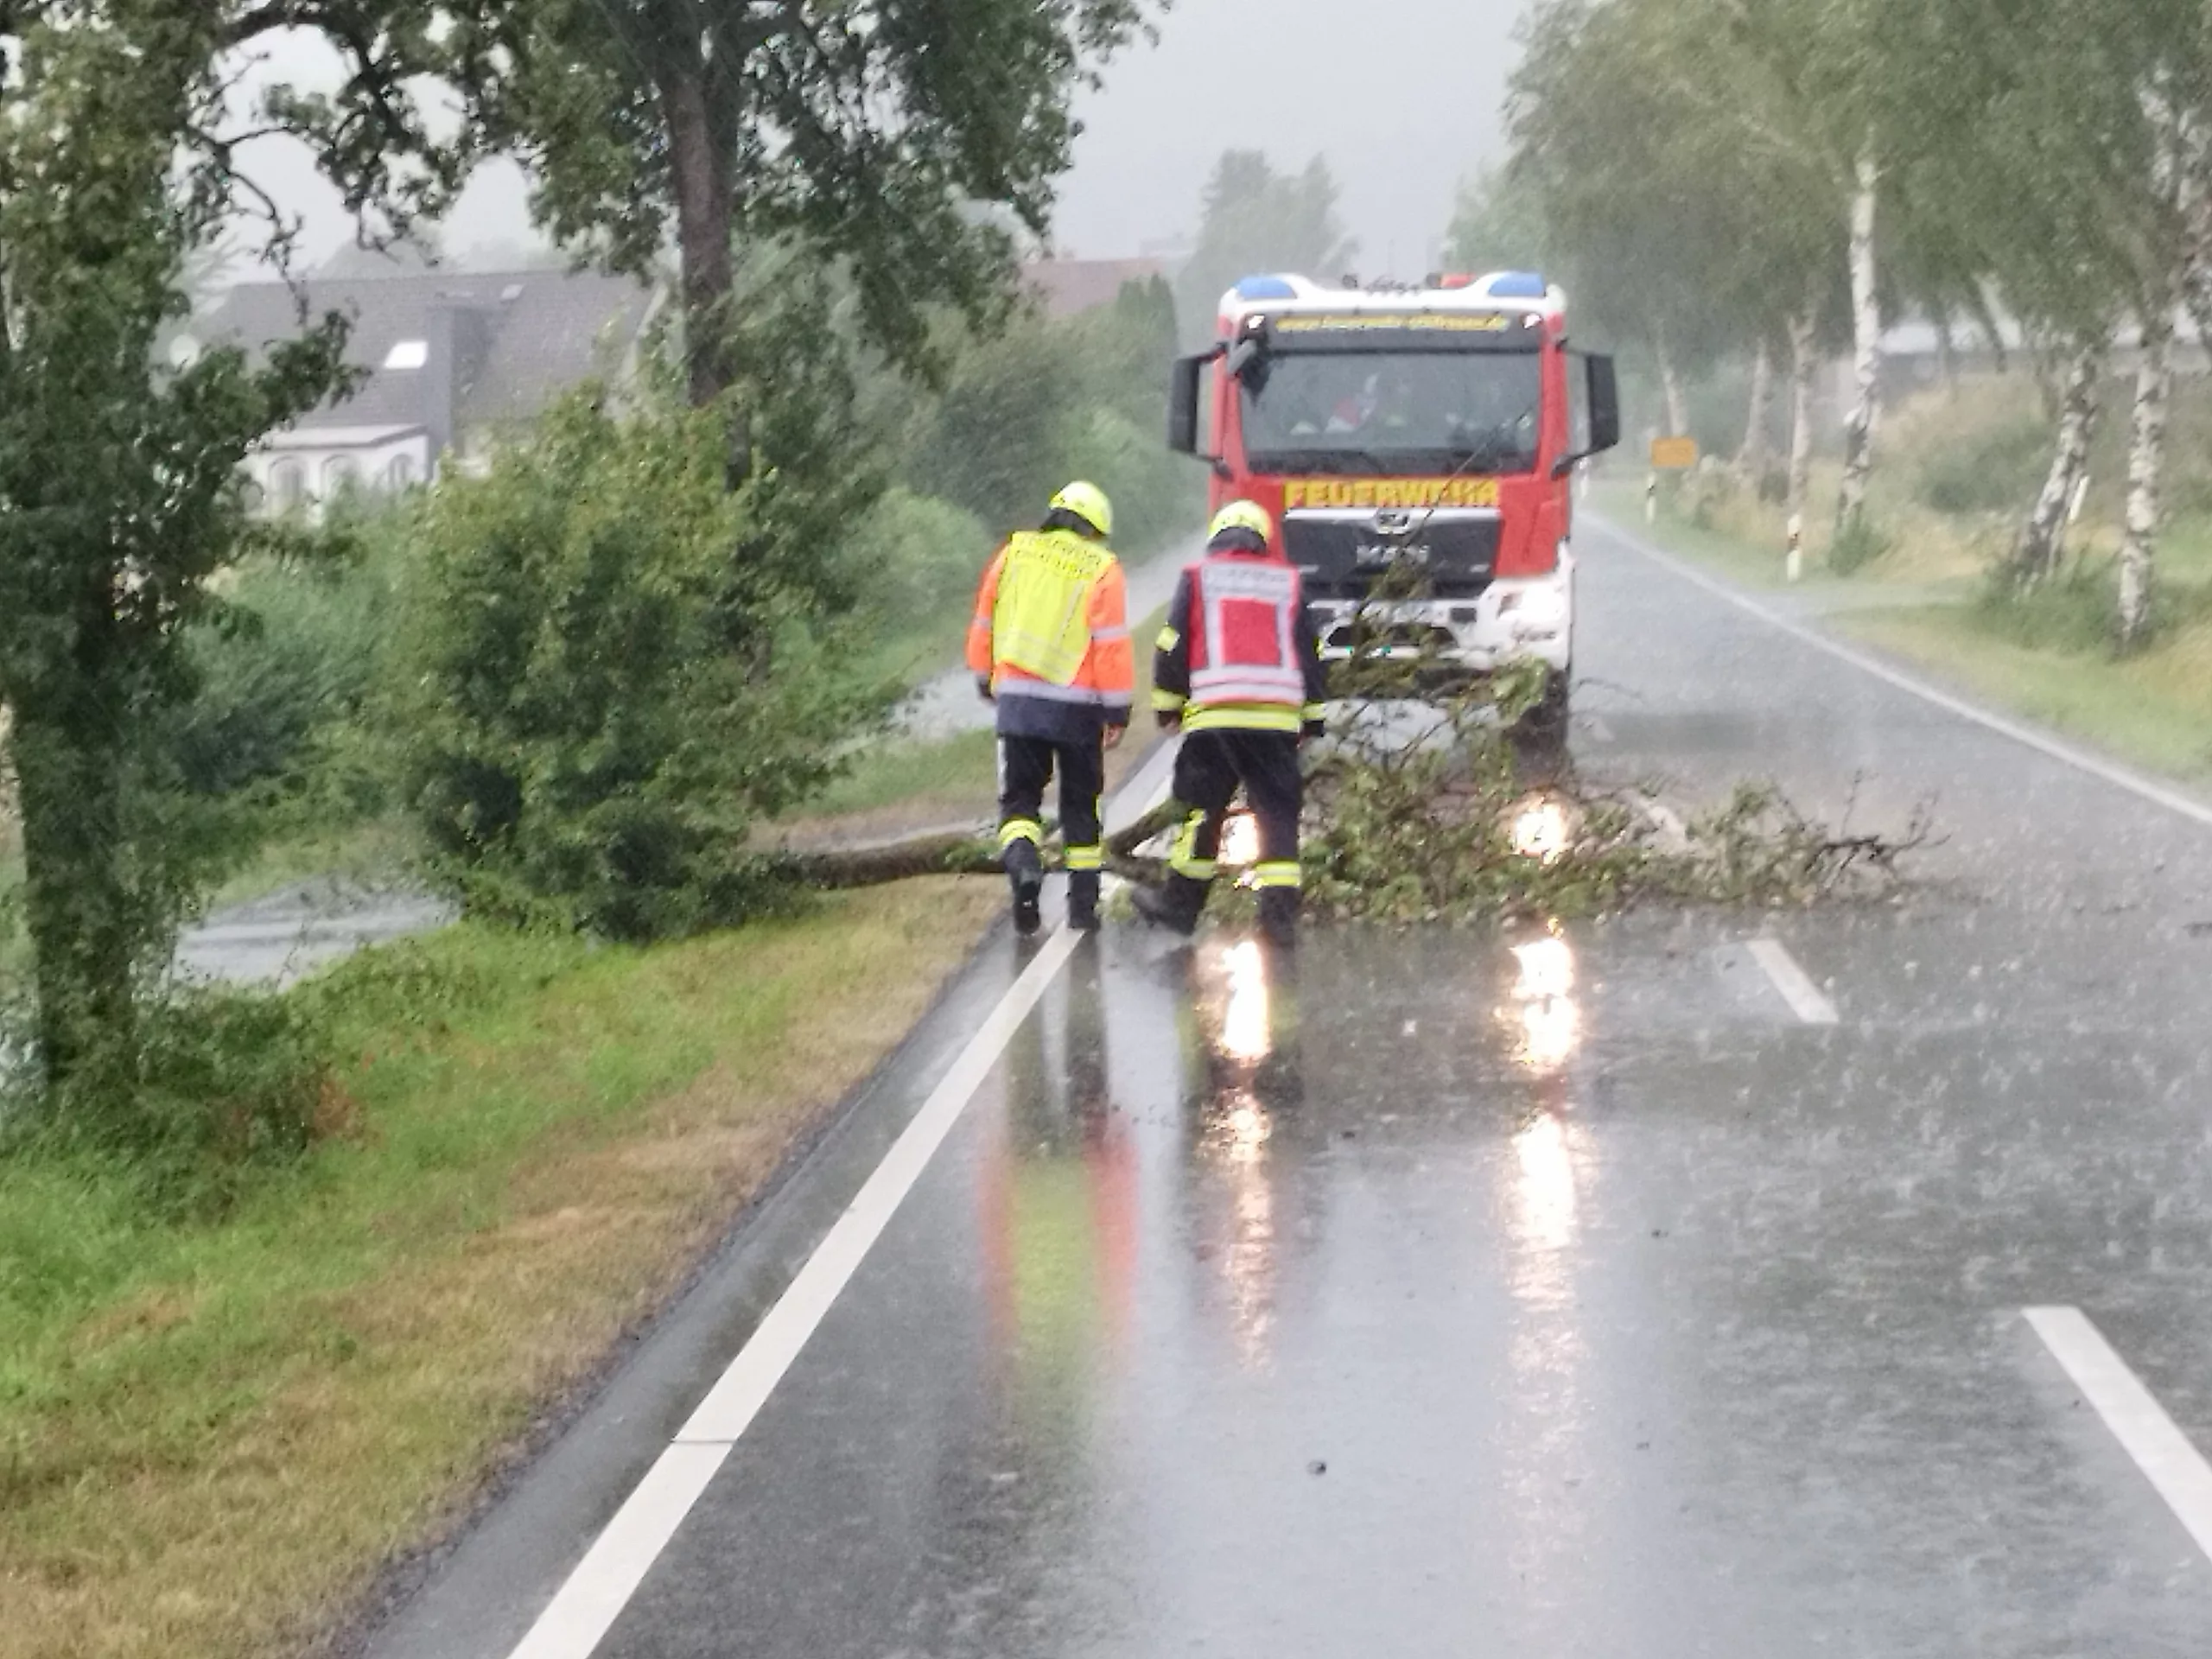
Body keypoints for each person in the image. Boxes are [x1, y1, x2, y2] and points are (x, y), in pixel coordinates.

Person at [1136, 500, 1327, 949]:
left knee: (1201, 812)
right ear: (1261, 540)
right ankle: (1278, 921)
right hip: (1276, 719)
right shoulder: (1288, 581)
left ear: (1217, 536)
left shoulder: (1198, 576)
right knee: (1277, 815)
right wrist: (1311, 719)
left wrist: (1168, 706)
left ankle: (1180, 907)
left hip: (1216, 717)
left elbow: (1172, 644)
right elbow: (1310, 652)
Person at [966, 480, 1133, 935]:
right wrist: (1116, 711)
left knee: (1020, 803)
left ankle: (1024, 870)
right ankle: (1083, 910)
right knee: (1081, 805)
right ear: (1095, 530)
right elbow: (1110, 647)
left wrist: (984, 674)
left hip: (1018, 703)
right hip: (1077, 711)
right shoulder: (1102, 568)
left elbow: (986, 618)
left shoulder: (1014, 553)